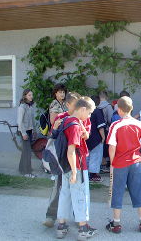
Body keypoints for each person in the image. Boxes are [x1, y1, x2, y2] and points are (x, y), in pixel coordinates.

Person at [105, 96, 141, 234]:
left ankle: (116, 224)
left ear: (119, 110)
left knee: (117, 192)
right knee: (138, 190)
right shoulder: (139, 124)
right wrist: (140, 157)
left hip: (119, 163)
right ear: (131, 109)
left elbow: (112, 147)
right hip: (135, 162)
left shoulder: (115, 125)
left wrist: (112, 163)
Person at [56, 96, 97, 240]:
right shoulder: (74, 125)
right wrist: (74, 171)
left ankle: (61, 226)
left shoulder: (67, 121)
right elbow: (71, 150)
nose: (89, 116)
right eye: (89, 113)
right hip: (76, 166)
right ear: (83, 109)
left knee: (65, 194)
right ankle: (83, 229)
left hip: (65, 166)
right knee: (80, 196)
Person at [43, 92, 86, 228]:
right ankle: (51, 216)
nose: (79, 107)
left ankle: (76, 218)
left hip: (75, 161)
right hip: (62, 161)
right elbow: (53, 137)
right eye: (75, 104)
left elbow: (86, 136)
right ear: (68, 105)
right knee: (58, 188)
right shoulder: (61, 117)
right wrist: (55, 129)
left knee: (76, 190)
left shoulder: (82, 118)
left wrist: (83, 130)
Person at [86, 96, 107, 183]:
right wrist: (103, 137)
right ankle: (93, 175)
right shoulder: (97, 111)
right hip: (96, 137)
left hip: (86, 137)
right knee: (96, 156)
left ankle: (86, 173)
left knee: (87, 157)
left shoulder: (85, 111)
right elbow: (100, 127)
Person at [17, 89, 37, 178]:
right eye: (29, 95)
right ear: (25, 96)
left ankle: (21, 168)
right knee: (27, 152)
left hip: (29, 131)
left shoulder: (30, 107)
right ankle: (27, 172)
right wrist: (23, 133)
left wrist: (34, 130)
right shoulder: (22, 107)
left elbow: (32, 120)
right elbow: (19, 122)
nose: (31, 97)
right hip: (23, 131)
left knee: (25, 151)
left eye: (32, 95)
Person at [98, 91, 114, 173]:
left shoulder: (96, 106)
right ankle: (104, 165)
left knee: (99, 147)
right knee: (106, 147)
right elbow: (110, 119)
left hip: (97, 129)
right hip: (106, 129)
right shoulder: (108, 106)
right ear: (106, 97)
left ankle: (100, 164)